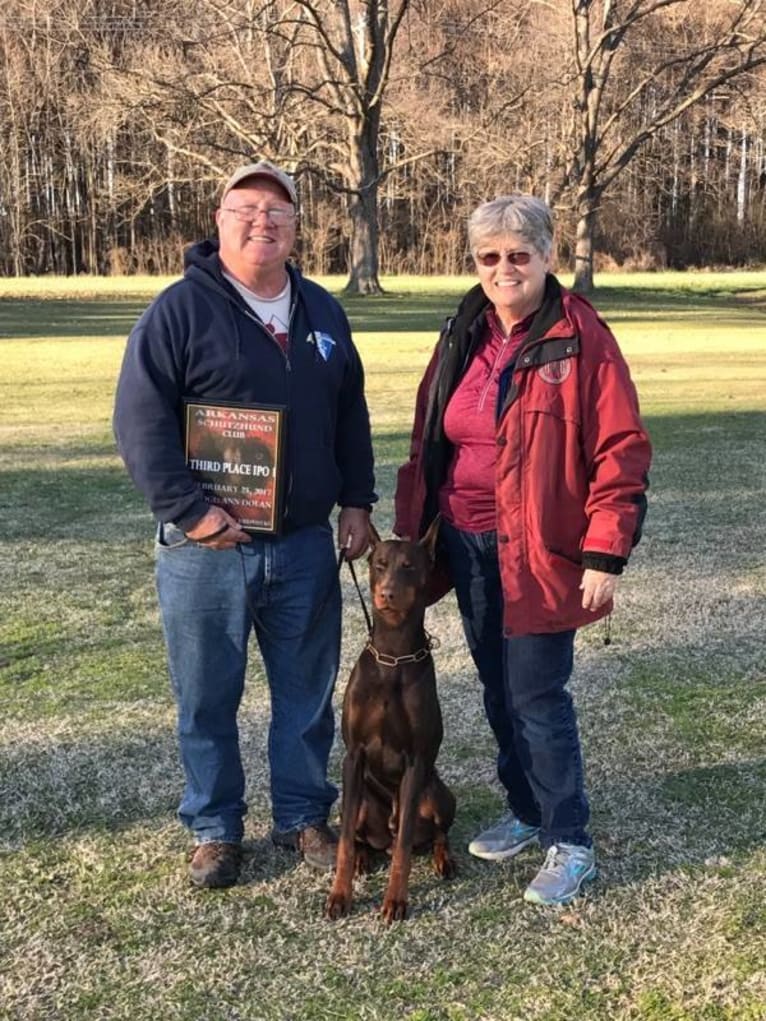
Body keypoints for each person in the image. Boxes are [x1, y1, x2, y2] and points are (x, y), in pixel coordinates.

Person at [114, 160, 376, 888]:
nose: (263, 220)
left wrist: (357, 500)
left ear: (296, 227)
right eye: (246, 207)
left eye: (278, 210)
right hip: (206, 550)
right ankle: (213, 826)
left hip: (301, 545)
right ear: (219, 220)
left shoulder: (322, 310)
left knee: (305, 693)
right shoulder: (178, 310)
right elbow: (138, 423)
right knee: (205, 696)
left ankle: (301, 815)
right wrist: (191, 513)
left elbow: (348, 413)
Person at [395, 195, 651, 906]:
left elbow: (620, 449)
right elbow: (429, 437)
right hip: (469, 541)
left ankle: (569, 838)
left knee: (538, 693)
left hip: (540, 546)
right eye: (488, 257)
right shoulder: (463, 329)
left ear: (546, 256)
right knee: (497, 688)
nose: (503, 269)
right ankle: (527, 806)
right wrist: (416, 529)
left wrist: (605, 551)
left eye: (518, 254)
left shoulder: (581, 335)